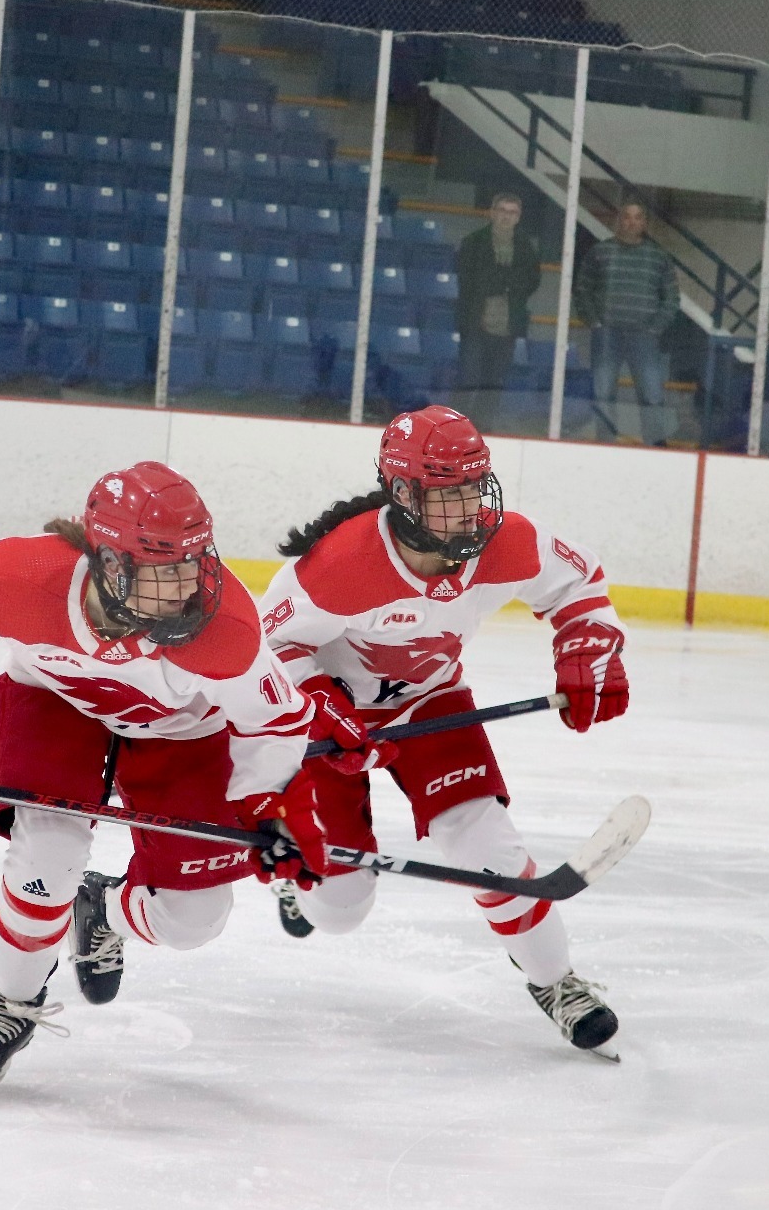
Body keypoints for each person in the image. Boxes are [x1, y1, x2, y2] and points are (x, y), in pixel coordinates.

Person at [0, 461, 326, 1094]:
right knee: (47, 855)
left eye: (194, 563)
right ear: (109, 564)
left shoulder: (224, 633)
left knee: (194, 921)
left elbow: (276, 721)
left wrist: (268, 804)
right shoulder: (17, 577)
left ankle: (101, 909)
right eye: (163, 570)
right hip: (56, 704)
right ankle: (15, 1001)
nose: (188, 587)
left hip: (180, 731)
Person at [257, 405, 632, 1055]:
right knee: (342, 910)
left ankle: (554, 979)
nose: (468, 510)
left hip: (432, 705)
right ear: (402, 494)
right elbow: (269, 647)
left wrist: (586, 643)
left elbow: (580, 581)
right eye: (447, 494)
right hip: (330, 723)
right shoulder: (340, 565)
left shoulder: (505, 541)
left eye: (473, 488)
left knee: (489, 846)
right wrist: (319, 701)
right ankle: (301, 876)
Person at [575, 198, 680, 444]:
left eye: (637, 217)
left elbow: (672, 297)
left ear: (644, 223)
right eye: (626, 216)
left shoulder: (659, 256)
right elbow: (583, 289)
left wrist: (656, 327)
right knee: (603, 394)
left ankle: (655, 448)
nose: (631, 222)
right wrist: (594, 322)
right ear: (618, 221)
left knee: (652, 396)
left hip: (644, 335)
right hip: (607, 333)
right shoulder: (600, 252)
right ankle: (605, 443)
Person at [454, 192, 543, 413]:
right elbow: (471, 280)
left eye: (512, 212)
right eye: (502, 210)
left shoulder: (525, 247)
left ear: (519, 217)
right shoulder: (473, 242)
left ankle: (484, 429)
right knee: (468, 380)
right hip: (475, 323)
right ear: (492, 213)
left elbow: (531, 281)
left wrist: (498, 279)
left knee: (494, 384)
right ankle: (456, 428)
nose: (506, 216)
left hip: (508, 326)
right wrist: (506, 281)